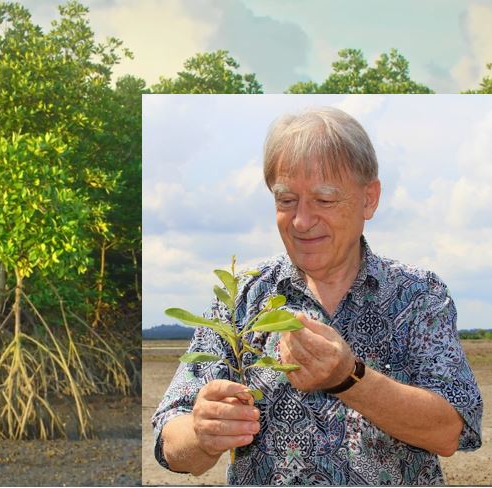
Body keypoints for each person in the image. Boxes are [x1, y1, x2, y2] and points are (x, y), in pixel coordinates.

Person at [151, 106, 483, 485]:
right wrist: (201, 433)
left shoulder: (419, 295)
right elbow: (169, 442)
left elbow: (451, 430)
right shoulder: (241, 297)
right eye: (286, 200)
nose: (302, 221)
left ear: (369, 199)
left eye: (324, 200)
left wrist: (348, 378)